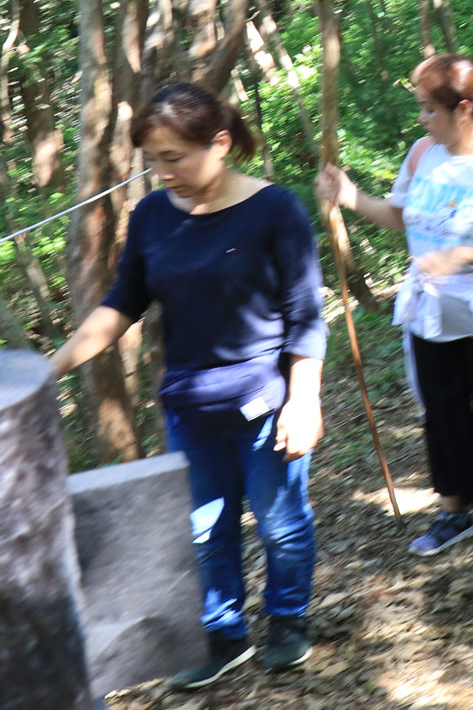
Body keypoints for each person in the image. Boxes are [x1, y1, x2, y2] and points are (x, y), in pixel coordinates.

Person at [52, 84, 326, 690]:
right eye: (152, 159)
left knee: (280, 522)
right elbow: (123, 302)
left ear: (220, 143)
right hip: (190, 405)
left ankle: (287, 619)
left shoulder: (274, 210)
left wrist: (304, 400)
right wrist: (51, 368)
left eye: (175, 157)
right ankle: (223, 634)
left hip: (265, 402)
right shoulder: (152, 215)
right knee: (205, 530)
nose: (163, 172)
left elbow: (305, 314)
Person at [319, 55, 473, 556]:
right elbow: (403, 218)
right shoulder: (422, 154)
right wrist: (350, 196)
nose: (422, 119)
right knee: (441, 410)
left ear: (464, 108)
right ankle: (455, 512)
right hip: (431, 311)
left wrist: (465, 253)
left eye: (429, 109)